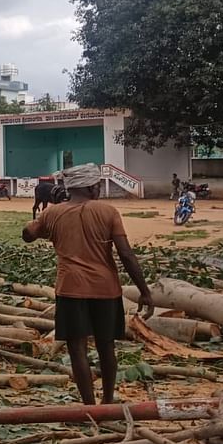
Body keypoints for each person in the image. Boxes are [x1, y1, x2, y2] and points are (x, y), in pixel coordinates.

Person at [23, 163, 154, 405]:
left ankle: (88, 406)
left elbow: (27, 234)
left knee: (77, 348)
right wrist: (144, 291)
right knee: (106, 345)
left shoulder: (53, 213)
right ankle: (107, 402)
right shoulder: (108, 212)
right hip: (105, 289)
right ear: (93, 187)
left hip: (70, 288)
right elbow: (126, 254)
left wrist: (52, 210)